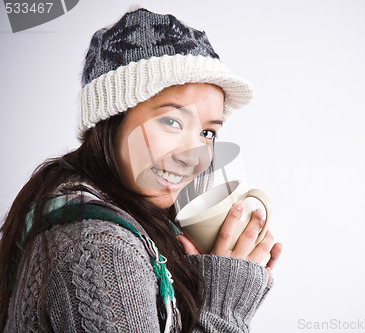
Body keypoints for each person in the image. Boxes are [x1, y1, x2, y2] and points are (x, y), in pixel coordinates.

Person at [0, 8, 282, 332]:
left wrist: (215, 273)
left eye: (208, 133)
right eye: (171, 121)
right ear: (111, 119)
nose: (194, 158)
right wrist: (224, 305)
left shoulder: (98, 213)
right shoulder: (101, 246)